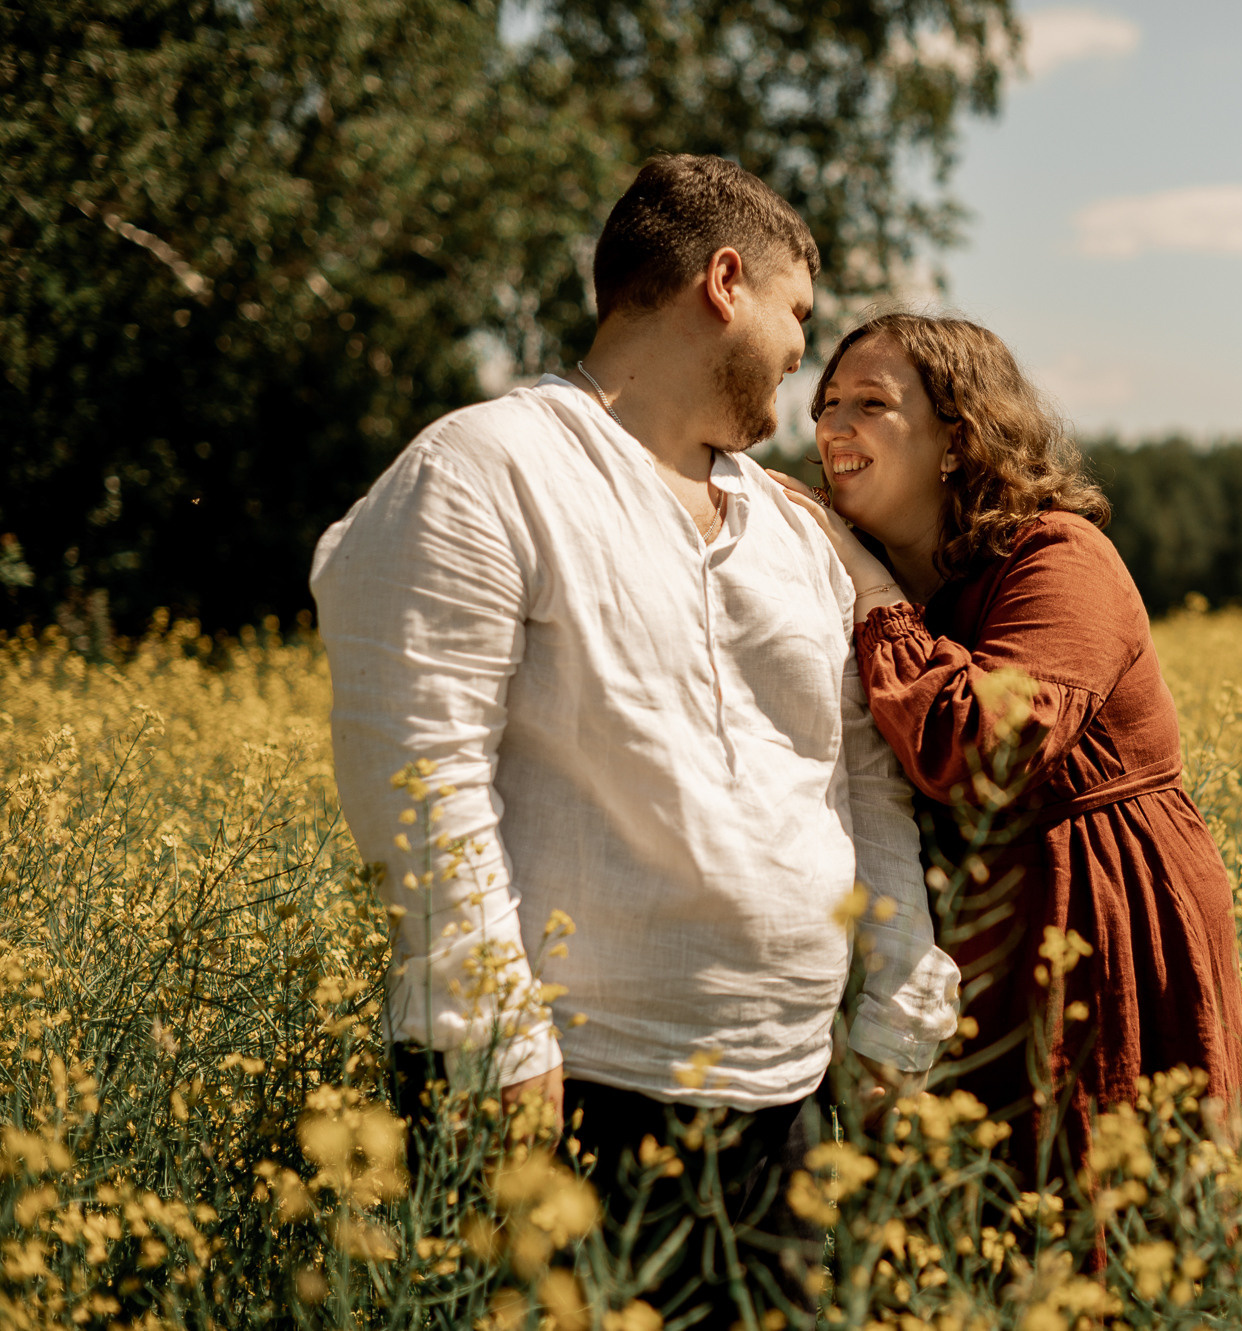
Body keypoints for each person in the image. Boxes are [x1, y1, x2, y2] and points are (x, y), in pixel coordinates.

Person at [311, 156, 959, 1325]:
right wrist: (498, 1040)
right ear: (724, 281)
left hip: (781, 1095)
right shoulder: (483, 468)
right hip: (571, 1087)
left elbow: (862, 781)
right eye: (795, 315)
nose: (801, 357)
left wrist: (895, 1005)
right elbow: (419, 772)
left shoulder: (784, 526)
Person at [769, 313, 1242, 1183]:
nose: (833, 427)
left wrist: (873, 591)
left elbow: (981, 748)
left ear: (959, 437)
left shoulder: (1061, 556)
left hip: (1100, 916)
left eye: (870, 403)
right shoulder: (853, 574)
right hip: (966, 942)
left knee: (1104, 1206)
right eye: (826, 404)